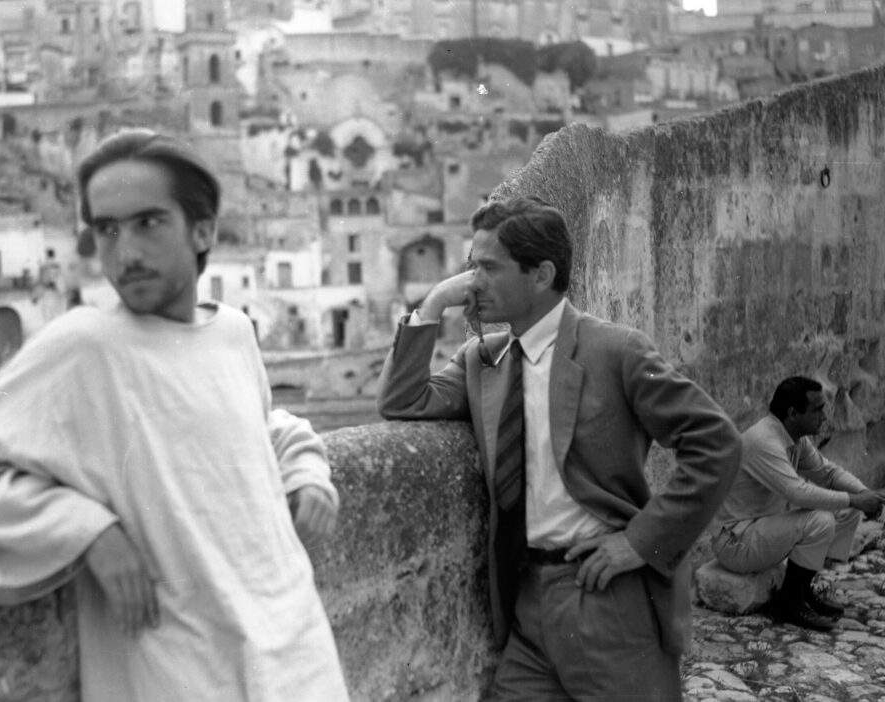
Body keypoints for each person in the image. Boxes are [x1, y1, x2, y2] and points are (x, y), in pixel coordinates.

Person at [0, 129, 350, 702]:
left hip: (299, 654)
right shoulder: (84, 345)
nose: (126, 252)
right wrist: (87, 531)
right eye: (106, 230)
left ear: (203, 230)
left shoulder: (234, 332)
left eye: (148, 223)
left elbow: (257, 427)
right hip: (184, 670)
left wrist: (308, 471)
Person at [377, 196, 741, 700]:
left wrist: (640, 542)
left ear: (541, 274)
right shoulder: (484, 360)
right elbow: (402, 401)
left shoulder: (616, 351)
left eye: (487, 267)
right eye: (469, 267)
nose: (473, 281)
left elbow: (715, 443)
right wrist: (434, 303)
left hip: (605, 599)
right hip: (527, 607)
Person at [711, 376, 885, 631]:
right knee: (821, 520)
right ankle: (790, 603)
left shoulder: (794, 437)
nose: (824, 418)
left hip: (762, 529)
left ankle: (801, 590)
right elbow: (798, 493)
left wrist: (865, 495)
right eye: (818, 410)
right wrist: (856, 499)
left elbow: (829, 473)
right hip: (735, 542)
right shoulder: (764, 441)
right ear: (793, 413)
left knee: (847, 510)